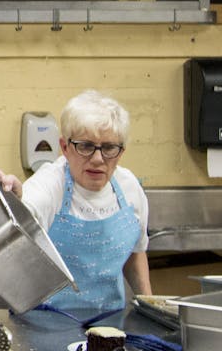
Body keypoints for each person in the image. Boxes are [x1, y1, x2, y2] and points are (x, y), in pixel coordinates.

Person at [8, 90, 152, 315]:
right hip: (44, 323)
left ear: (121, 152)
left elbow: (136, 251)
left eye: (108, 148)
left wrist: (149, 308)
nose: (97, 159)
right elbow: (23, 210)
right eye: (85, 146)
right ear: (65, 148)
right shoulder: (50, 184)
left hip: (109, 324)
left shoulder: (129, 188)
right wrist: (13, 199)